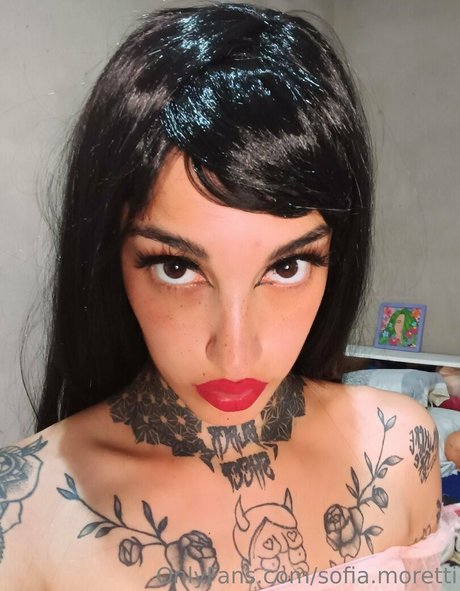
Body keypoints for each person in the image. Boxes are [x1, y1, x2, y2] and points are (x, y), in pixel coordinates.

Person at [0, 4, 450, 590]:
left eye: (286, 266)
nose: (235, 353)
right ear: (111, 258)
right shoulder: (22, 514)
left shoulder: (401, 447)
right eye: (177, 267)